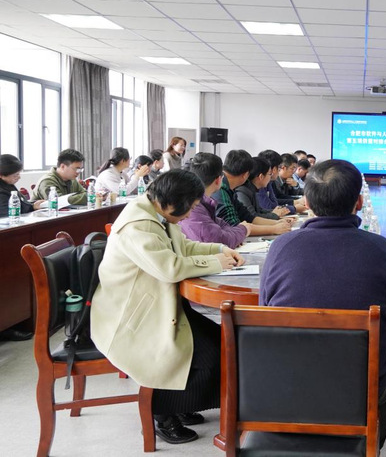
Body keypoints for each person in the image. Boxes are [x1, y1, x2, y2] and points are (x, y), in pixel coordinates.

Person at [260, 159, 386, 448]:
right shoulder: (382, 249)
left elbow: (265, 316)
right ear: (359, 202)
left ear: (307, 203)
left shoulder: (281, 247)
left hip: (285, 384)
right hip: (356, 388)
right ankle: (364, 441)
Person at [91, 170, 244, 444]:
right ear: (172, 202)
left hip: (159, 305)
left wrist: (220, 250)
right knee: (206, 354)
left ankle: (180, 404)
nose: (190, 214)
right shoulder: (137, 225)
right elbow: (169, 268)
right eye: (191, 207)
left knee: (222, 342)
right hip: (131, 317)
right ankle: (162, 413)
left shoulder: (158, 214)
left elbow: (183, 247)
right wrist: (217, 262)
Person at [213, 150, 291, 237]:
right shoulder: (222, 189)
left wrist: (276, 223)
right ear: (246, 175)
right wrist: (273, 229)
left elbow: (248, 217)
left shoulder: (230, 188)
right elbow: (234, 226)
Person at [179, 152, 250, 248]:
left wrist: (236, 236)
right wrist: (243, 229)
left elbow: (222, 226)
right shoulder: (193, 207)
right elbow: (219, 240)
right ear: (218, 180)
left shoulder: (204, 203)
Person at [235, 156, 282, 220]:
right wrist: (275, 215)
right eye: (270, 174)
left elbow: (259, 210)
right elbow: (252, 216)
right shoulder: (242, 191)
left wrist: (274, 212)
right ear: (261, 176)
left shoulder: (252, 188)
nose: (270, 177)